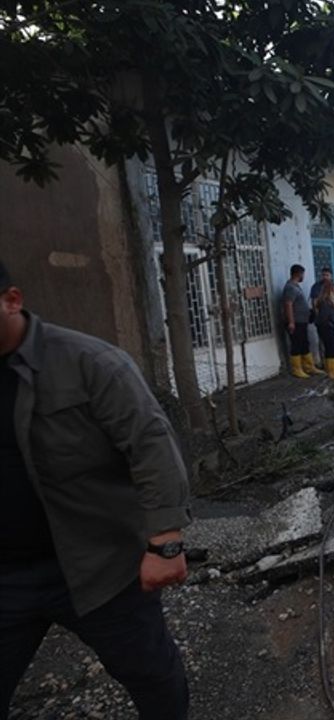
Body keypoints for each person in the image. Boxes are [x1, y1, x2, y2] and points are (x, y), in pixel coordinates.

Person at [0, 261, 192, 719]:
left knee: (152, 676)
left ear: (12, 300)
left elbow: (151, 444)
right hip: (7, 576)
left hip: (101, 567)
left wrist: (165, 541)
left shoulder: (90, 363)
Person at [282, 264, 322, 378]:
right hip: (296, 322)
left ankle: (309, 367)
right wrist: (291, 322)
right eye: (302, 274)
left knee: (304, 344)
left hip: (302, 321)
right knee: (296, 344)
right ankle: (296, 369)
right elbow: (288, 304)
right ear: (298, 274)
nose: (303, 276)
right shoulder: (290, 287)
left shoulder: (296, 286)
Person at [312, 278, 334, 378]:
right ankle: (333, 372)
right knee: (331, 348)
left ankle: (330, 370)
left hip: (326, 327)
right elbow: (324, 316)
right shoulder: (326, 301)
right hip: (327, 327)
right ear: (331, 289)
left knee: (329, 348)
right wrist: (330, 323)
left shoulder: (329, 300)